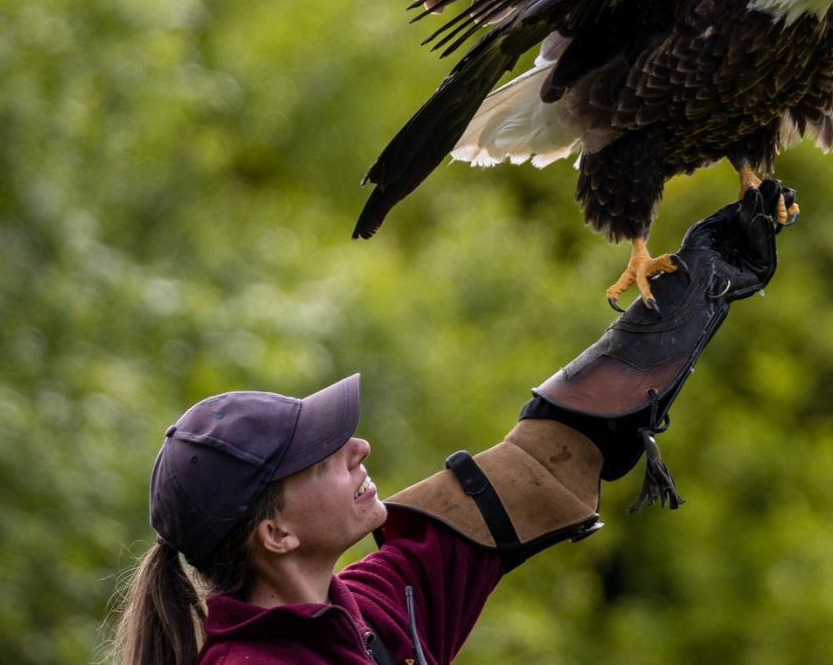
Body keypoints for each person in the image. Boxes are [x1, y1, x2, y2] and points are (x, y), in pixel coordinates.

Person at [113, 182, 796, 665]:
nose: (358, 447)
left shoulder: (370, 608)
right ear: (276, 533)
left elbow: (532, 473)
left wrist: (689, 297)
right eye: (321, 457)